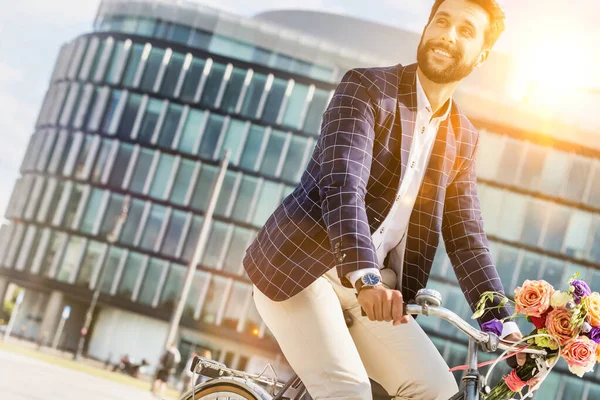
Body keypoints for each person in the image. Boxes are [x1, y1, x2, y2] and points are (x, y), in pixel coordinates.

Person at [243, 0, 525, 399]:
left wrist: (505, 324)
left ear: (482, 55)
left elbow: (467, 240)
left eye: (465, 30)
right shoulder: (367, 88)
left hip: (376, 293)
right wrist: (368, 278)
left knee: (438, 390)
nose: (447, 34)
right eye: (441, 22)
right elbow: (343, 184)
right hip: (304, 268)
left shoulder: (463, 137)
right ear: (426, 29)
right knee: (349, 391)